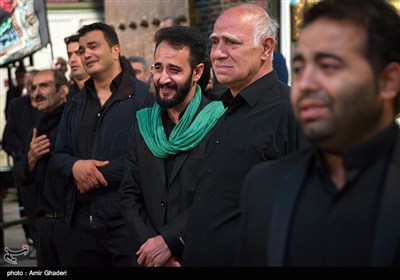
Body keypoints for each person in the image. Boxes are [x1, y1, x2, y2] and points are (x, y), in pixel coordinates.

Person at [237, 0, 400, 267]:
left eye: (329, 66)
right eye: (300, 69)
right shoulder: (265, 186)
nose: (306, 85)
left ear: (388, 81)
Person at [181, 4, 306, 266]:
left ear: (266, 48)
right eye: (214, 42)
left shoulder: (294, 112)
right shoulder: (221, 110)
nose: (217, 53)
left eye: (231, 43)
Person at [119, 26, 225, 267]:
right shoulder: (142, 123)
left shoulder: (220, 120)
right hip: (149, 257)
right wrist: (153, 247)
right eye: (158, 68)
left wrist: (169, 243)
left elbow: (216, 196)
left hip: (201, 255)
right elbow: (129, 195)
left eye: (174, 70)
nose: (162, 79)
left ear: (197, 72)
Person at [53, 22, 154, 267]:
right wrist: (75, 167)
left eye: (93, 46)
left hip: (128, 226)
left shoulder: (144, 98)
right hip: (83, 226)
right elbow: (59, 154)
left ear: (115, 50)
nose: (85, 54)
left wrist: (97, 173)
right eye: (80, 50)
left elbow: (151, 156)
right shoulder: (75, 103)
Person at [14, 69, 74, 266]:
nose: (36, 92)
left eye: (44, 86)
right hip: (42, 225)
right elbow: (21, 176)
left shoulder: (75, 123)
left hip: (69, 226)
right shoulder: (38, 128)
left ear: (63, 91)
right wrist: (31, 158)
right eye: (33, 88)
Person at [2, 69, 42, 258]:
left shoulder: (51, 106)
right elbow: (7, 139)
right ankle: (32, 241)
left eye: (40, 85)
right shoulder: (17, 106)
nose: (35, 90)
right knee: (28, 211)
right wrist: (25, 154)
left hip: (49, 174)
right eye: (31, 85)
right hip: (26, 173)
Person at [64, 34, 90, 100]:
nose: (72, 60)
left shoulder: (106, 91)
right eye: (69, 55)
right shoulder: (66, 97)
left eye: (78, 53)